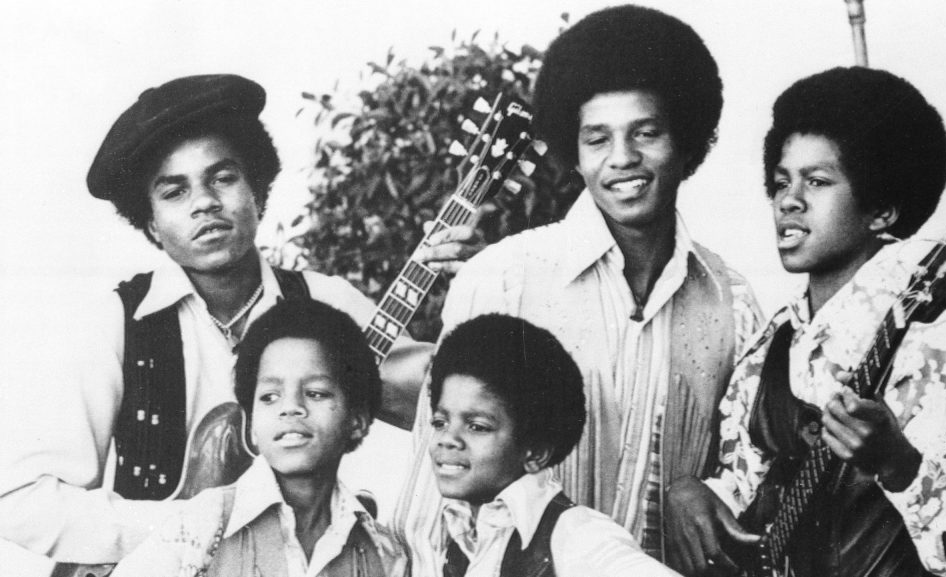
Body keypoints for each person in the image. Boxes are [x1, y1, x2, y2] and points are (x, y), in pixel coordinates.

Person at [0, 74, 480, 569]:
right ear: (151, 224)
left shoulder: (324, 302)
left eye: (223, 178)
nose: (204, 202)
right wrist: (185, 532)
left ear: (257, 190)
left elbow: (447, 400)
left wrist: (479, 286)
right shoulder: (118, 323)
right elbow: (19, 499)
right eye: (174, 192)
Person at [395, 4, 762, 570]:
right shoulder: (503, 278)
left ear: (686, 142)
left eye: (646, 133)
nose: (623, 159)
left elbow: (751, 474)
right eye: (597, 139)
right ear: (576, 152)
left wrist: (706, 488)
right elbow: (427, 507)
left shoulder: (731, 303)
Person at [667, 67, 946, 577]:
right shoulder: (773, 343)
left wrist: (897, 463)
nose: (788, 199)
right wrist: (690, 493)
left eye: (817, 181)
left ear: (881, 211)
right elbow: (744, 492)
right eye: (781, 181)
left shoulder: (930, 334)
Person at [112, 299, 407, 577]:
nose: (291, 407)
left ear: (357, 420)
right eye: (269, 396)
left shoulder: (382, 551)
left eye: (316, 393)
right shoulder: (202, 524)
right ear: (251, 424)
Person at [423, 313, 681, 577]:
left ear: (535, 453)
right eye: (440, 422)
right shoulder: (464, 533)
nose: (448, 438)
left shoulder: (578, 535)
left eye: (477, 427)